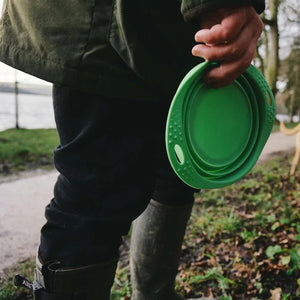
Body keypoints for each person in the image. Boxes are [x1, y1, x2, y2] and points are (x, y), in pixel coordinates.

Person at [0, 0, 264, 299]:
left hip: (165, 31)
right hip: (107, 21)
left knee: (175, 173)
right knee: (99, 189)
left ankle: (156, 294)